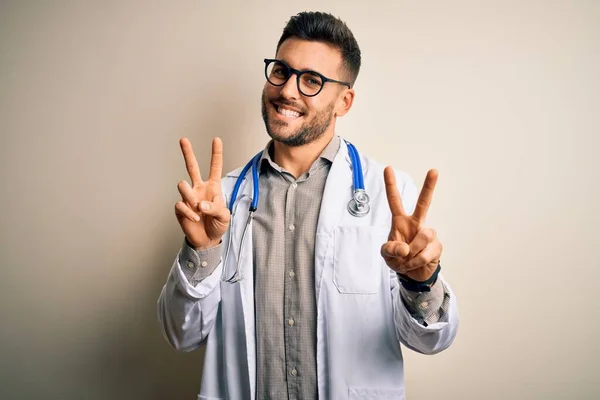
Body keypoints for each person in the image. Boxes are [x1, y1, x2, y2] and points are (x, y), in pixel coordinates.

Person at [158, 11, 459, 400]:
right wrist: (202, 250)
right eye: (281, 71)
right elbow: (181, 335)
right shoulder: (222, 199)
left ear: (344, 101)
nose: (288, 91)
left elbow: (431, 341)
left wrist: (421, 281)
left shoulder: (388, 195)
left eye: (312, 81)